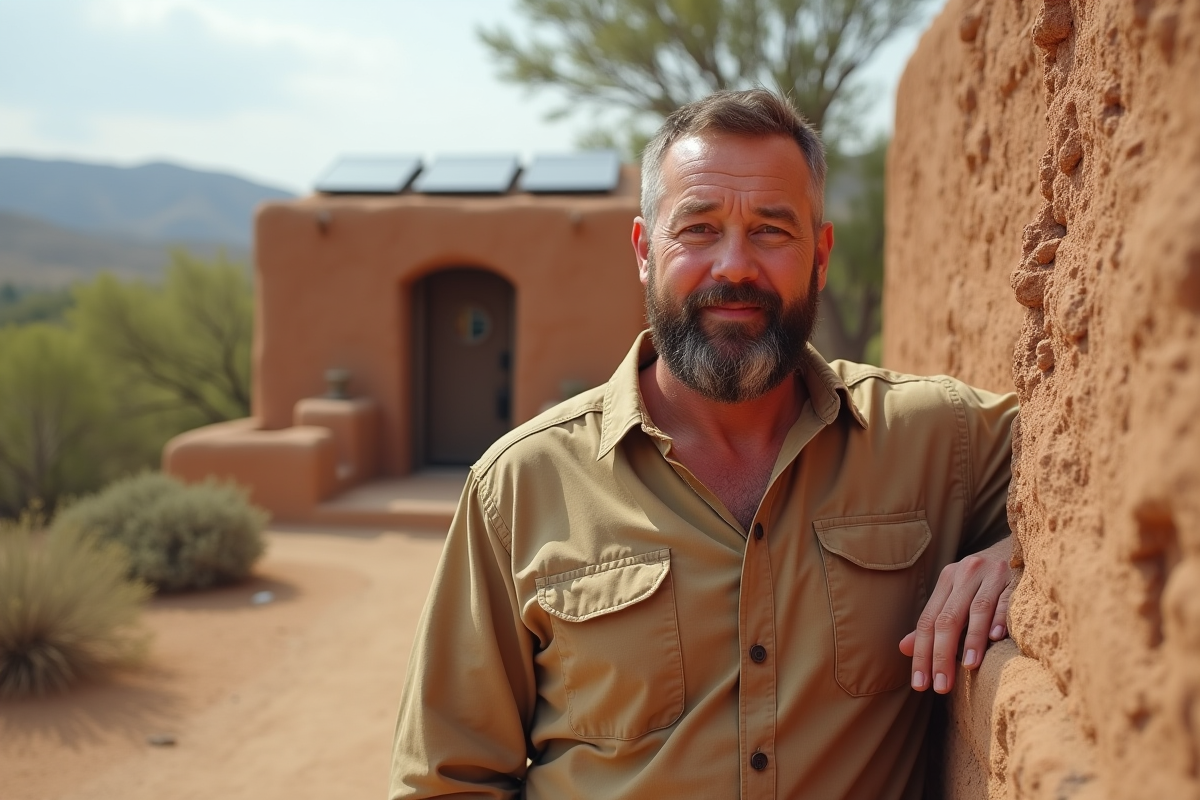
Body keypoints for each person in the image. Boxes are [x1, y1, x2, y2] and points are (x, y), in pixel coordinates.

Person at [390, 89, 1017, 800]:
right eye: (698, 229)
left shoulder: (936, 440)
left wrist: (1017, 550)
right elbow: (448, 780)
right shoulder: (520, 487)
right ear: (643, 251)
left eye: (773, 230)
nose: (734, 267)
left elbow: (1091, 471)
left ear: (821, 255)